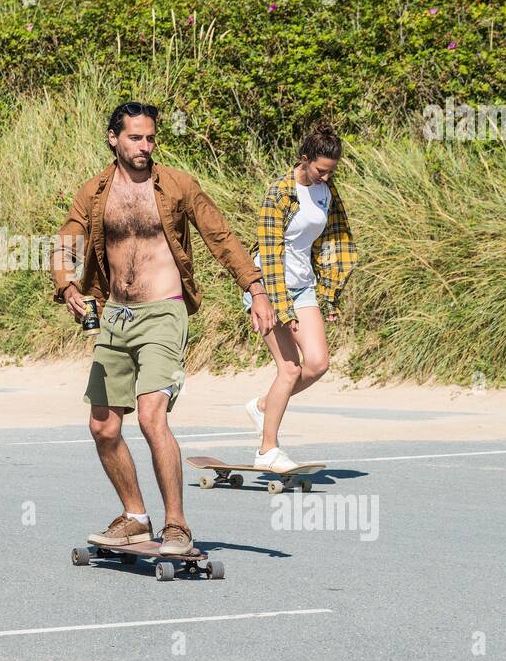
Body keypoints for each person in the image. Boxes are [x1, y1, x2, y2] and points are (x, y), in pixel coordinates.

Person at [50, 101, 275, 555]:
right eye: (135, 137)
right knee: (103, 428)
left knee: (153, 416)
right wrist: (68, 286)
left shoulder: (176, 185)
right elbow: (65, 244)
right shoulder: (93, 192)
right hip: (115, 314)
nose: (145, 146)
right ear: (114, 138)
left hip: (164, 312)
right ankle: (135, 516)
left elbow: (220, 236)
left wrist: (256, 288)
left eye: (150, 138)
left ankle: (177, 525)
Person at [244, 124, 357, 471]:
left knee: (318, 364)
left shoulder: (326, 190)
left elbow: (336, 241)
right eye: (321, 169)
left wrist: (329, 294)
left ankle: (263, 406)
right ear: (304, 160)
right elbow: (270, 250)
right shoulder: (279, 192)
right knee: (290, 368)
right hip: (269, 287)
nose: (326, 175)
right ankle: (267, 449)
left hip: (304, 285)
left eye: (331, 170)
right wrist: (279, 305)